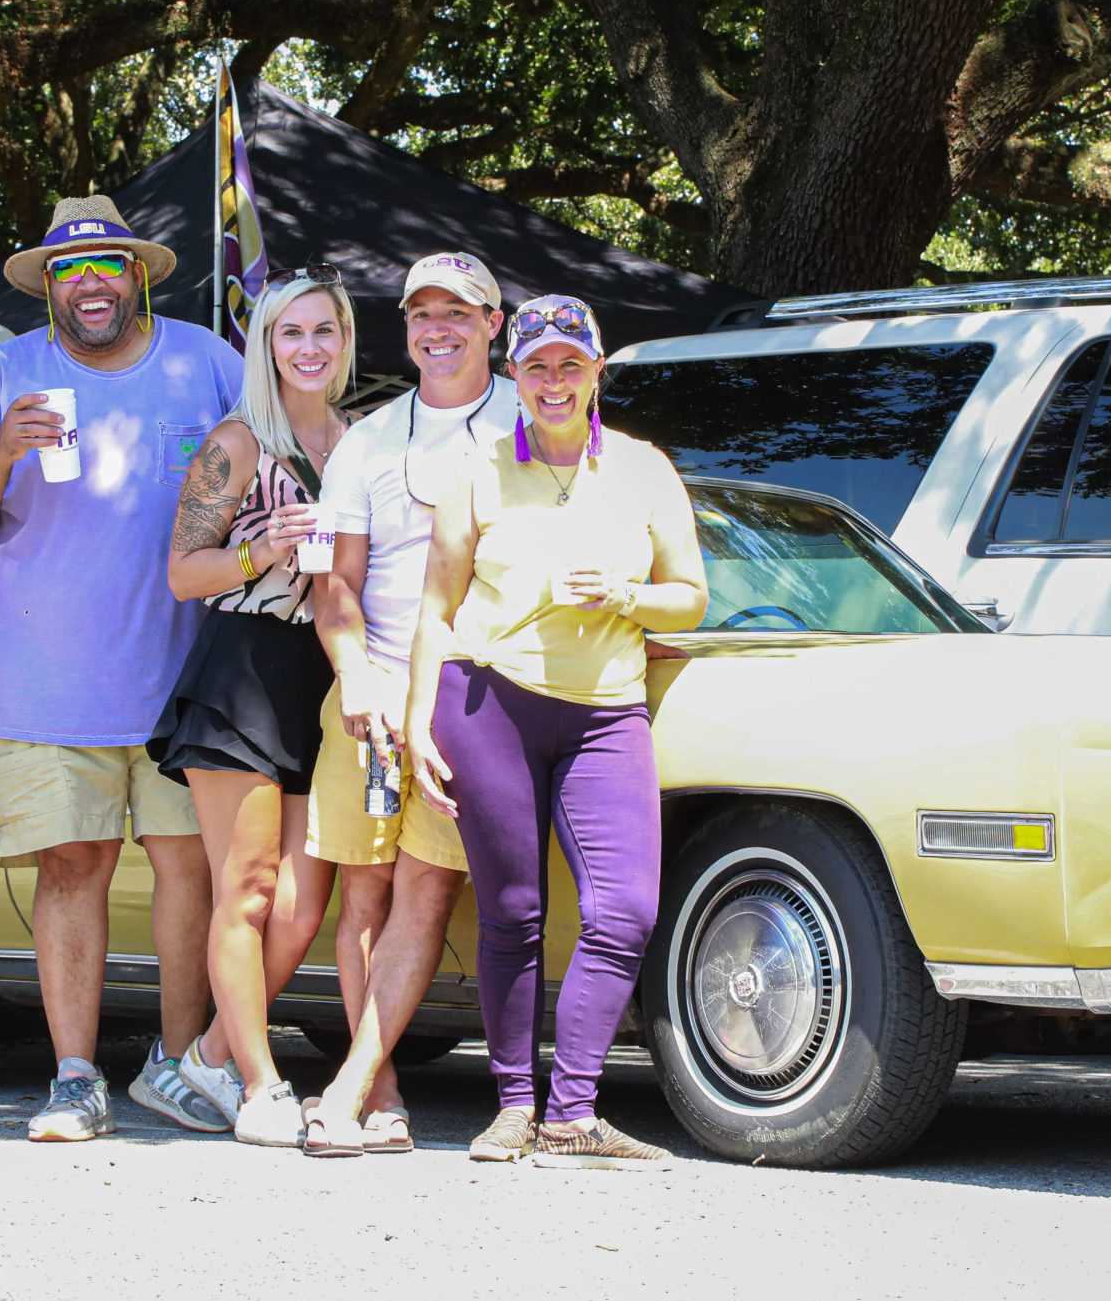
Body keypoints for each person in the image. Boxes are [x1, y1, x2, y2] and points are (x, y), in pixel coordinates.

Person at [0, 195, 239, 1142]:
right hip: (50, 686)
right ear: (48, 285)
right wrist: (1, 446)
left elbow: (276, 466)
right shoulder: (5, 374)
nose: (91, 282)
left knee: (193, 871)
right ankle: (72, 1076)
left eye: (107, 264)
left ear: (138, 274)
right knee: (73, 867)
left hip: (189, 682)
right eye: (70, 269)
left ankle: (180, 1067)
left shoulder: (205, 361)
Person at [405, 293, 708, 1168]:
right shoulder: (479, 473)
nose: (553, 381)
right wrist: (418, 720)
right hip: (488, 699)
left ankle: (572, 1110)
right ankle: (512, 1104)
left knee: (624, 911)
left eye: (570, 365)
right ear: (514, 375)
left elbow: (690, 594)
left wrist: (626, 596)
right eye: (536, 366)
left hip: (608, 709)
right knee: (511, 911)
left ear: (596, 373)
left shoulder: (647, 468)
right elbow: (435, 608)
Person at [298, 253, 514, 1154]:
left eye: (458, 314)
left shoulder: (533, 421)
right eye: (423, 313)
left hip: (478, 696)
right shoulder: (368, 441)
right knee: (365, 899)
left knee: (427, 893)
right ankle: (378, 1095)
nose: (438, 329)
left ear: (493, 325)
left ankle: (358, 1091)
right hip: (374, 693)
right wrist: (357, 672)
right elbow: (332, 585)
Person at [150, 268, 357, 1149]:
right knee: (248, 888)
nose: (307, 347)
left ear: (345, 342)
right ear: (265, 346)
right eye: (289, 333)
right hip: (240, 673)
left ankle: (203, 1054)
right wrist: (255, 552)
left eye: (323, 331)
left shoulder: (358, 442)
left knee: (304, 905)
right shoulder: (237, 442)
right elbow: (181, 571)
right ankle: (262, 1082)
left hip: (325, 676)